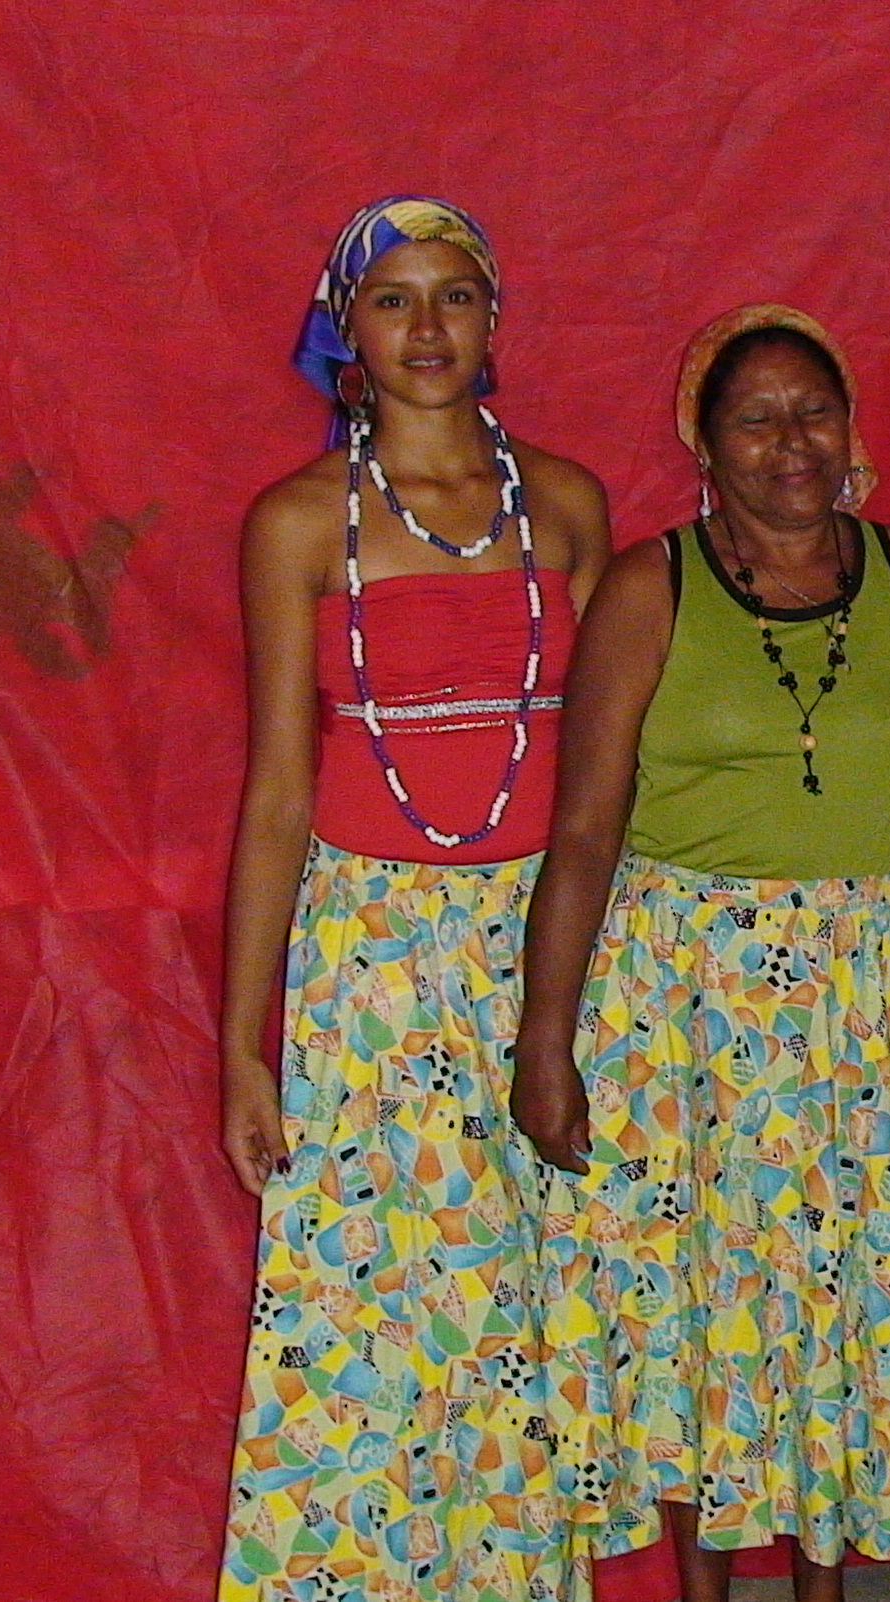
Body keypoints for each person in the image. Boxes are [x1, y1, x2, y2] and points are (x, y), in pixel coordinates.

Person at [513, 305, 890, 1601]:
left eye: (813, 412)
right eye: (755, 419)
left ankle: (827, 1583)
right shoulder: (651, 586)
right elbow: (586, 825)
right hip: (682, 1000)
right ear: (705, 445)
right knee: (696, 1308)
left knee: (841, 1295)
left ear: (850, 428)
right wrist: (546, 1036)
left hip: (857, 999)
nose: (791, 442)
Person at [216, 196, 614, 1602]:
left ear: (494, 318)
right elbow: (279, 791)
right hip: (370, 954)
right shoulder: (295, 524)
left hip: (544, 945)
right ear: (349, 331)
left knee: (527, 1292)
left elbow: (604, 769)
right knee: (370, 1296)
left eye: (454, 295)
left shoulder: (566, 505)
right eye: (393, 300)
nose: (427, 327)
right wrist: (243, 1047)